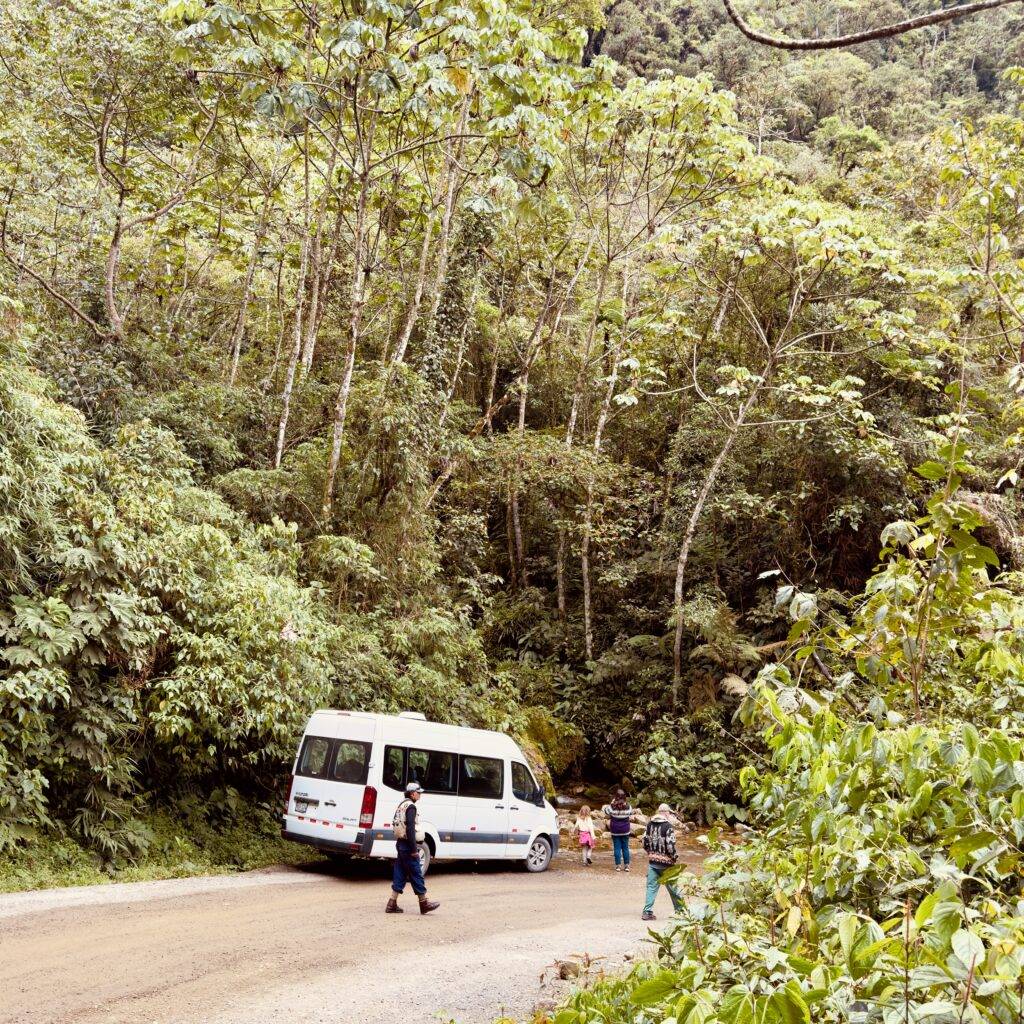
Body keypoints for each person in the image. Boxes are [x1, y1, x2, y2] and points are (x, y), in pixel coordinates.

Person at [385, 781, 440, 915]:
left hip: (401, 844)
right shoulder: (411, 807)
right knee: (416, 873)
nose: (420, 795)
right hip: (408, 846)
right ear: (412, 793)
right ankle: (424, 903)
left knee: (400, 872)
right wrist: (415, 850)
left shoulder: (402, 805)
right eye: (418, 792)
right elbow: (410, 828)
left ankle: (391, 903)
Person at [641, 803, 684, 921]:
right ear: (665, 812)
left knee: (651, 887)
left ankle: (647, 912)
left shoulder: (649, 824)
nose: (670, 815)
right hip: (667, 864)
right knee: (674, 888)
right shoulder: (668, 826)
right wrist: (674, 857)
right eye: (669, 813)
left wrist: (650, 853)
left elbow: (644, 842)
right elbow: (670, 845)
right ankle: (681, 912)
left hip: (653, 862)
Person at [601, 788, 634, 872]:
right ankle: (626, 866)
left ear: (616, 797)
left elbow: (605, 811)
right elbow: (631, 814)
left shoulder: (612, 807)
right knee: (625, 848)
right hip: (625, 830)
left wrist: (612, 803)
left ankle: (618, 866)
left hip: (615, 830)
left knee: (617, 848)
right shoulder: (628, 807)